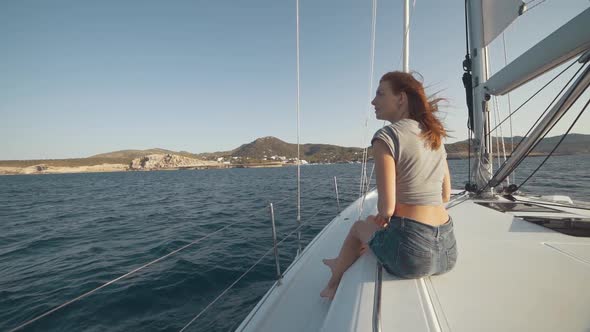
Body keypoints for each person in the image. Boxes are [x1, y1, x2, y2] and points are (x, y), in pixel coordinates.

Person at [320, 71, 457, 300]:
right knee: (372, 230)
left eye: (380, 94)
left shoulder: (387, 135)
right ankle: (345, 261)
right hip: (448, 250)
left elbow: (387, 209)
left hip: (413, 256)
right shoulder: (434, 136)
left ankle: (333, 281)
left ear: (401, 98)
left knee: (358, 227)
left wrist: (378, 225)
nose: (373, 102)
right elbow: (444, 195)